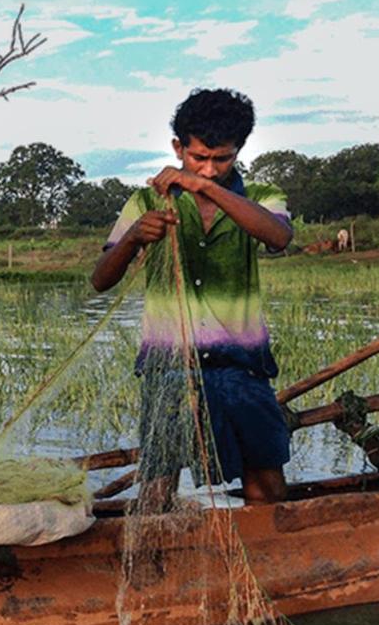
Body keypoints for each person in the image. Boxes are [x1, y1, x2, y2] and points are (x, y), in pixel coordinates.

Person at [90, 88, 293, 505]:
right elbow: (100, 280)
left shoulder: (260, 197)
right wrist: (133, 236)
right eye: (199, 157)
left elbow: (278, 236)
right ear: (177, 147)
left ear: (239, 151)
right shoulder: (147, 200)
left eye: (223, 159)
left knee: (266, 483)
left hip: (243, 367)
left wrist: (202, 185)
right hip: (168, 369)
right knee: (158, 487)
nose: (211, 169)